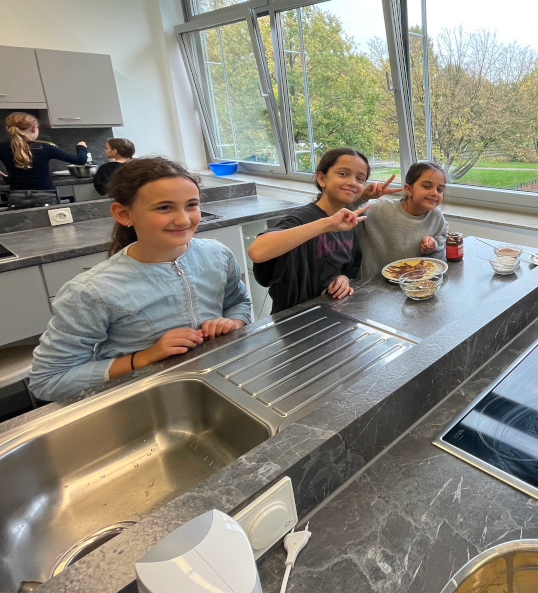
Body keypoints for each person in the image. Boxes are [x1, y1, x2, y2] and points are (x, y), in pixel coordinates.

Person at [28, 157, 253, 401]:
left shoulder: (217, 255)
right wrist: (143, 357)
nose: (183, 219)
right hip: (143, 399)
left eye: (191, 205)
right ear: (124, 214)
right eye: (164, 207)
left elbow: (238, 302)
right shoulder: (91, 291)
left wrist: (232, 323)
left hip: (214, 381)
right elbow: (48, 380)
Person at [247, 148, 377, 314]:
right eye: (343, 174)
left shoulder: (347, 222)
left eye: (360, 178)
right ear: (322, 178)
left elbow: (349, 267)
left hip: (329, 313)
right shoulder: (303, 218)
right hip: (294, 319)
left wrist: (343, 279)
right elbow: (257, 251)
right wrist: (327, 224)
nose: (352, 182)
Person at [356, 161, 449, 280]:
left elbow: (442, 237)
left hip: (416, 282)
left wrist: (433, 244)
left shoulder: (436, 216)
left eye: (440, 189)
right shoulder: (380, 209)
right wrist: (363, 197)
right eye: (426, 186)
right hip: (374, 284)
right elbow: (346, 214)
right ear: (408, 190)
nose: (435, 193)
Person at [0, 112, 87, 209]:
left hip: (17, 197)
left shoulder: (2, 148)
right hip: (45, 196)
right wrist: (81, 147)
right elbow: (80, 160)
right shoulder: (45, 147)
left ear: (8, 129)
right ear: (34, 128)